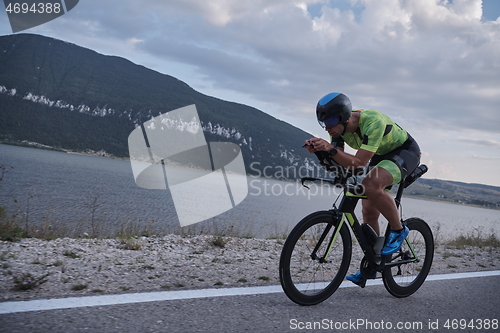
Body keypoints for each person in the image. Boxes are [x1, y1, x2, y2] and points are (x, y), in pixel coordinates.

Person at [304, 92, 421, 286]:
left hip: (404, 152)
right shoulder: (337, 129)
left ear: (345, 117)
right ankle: (373, 264)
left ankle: (399, 230)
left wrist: (330, 149)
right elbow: (339, 164)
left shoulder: (372, 121)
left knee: (370, 185)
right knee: (368, 212)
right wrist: (321, 152)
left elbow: (358, 163)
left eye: (331, 121)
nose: (328, 127)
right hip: (379, 155)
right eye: (323, 122)